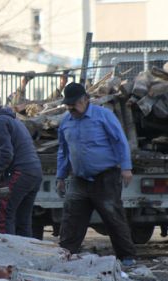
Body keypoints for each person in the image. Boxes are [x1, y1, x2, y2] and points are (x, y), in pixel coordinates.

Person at [56, 82, 136, 266]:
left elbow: (120, 141)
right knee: (71, 217)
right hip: (79, 179)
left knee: (112, 216)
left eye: (74, 103)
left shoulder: (103, 116)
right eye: (68, 104)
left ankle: (126, 257)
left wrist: (126, 167)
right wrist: (61, 176)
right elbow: (64, 151)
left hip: (105, 176)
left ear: (86, 99)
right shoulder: (66, 122)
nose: (70, 108)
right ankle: (65, 254)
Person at [0, 80, 42, 237]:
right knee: (22, 219)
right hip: (35, 172)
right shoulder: (10, 118)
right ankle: (25, 254)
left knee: (5, 215)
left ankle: (6, 253)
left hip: (23, 172)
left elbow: (7, 153)